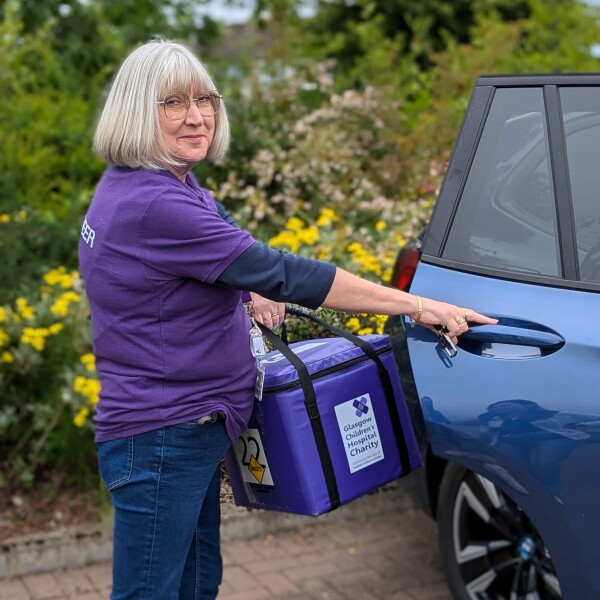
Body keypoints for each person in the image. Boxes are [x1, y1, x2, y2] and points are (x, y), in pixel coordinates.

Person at [78, 39, 497, 600]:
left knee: (199, 583)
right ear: (136, 110)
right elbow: (287, 273)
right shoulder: (155, 205)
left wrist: (244, 280)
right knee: (150, 592)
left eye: (206, 98)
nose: (198, 115)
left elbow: (223, 232)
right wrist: (421, 306)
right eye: (174, 102)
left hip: (188, 427)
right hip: (163, 436)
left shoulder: (157, 181)